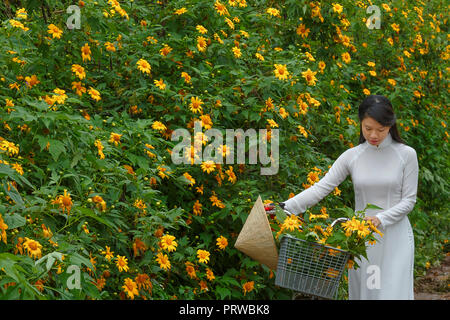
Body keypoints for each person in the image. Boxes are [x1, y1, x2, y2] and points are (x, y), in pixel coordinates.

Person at [276, 95, 419, 300]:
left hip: (395, 238)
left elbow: (409, 201)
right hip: (363, 241)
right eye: (368, 128)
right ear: (360, 123)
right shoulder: (353, 156)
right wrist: (284, 207)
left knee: (392, 294)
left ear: (390, 125)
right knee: (368, 293)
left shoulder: (406, 155)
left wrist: (380, 218)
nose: (374, 135)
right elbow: (321, 187)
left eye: (380, 129)